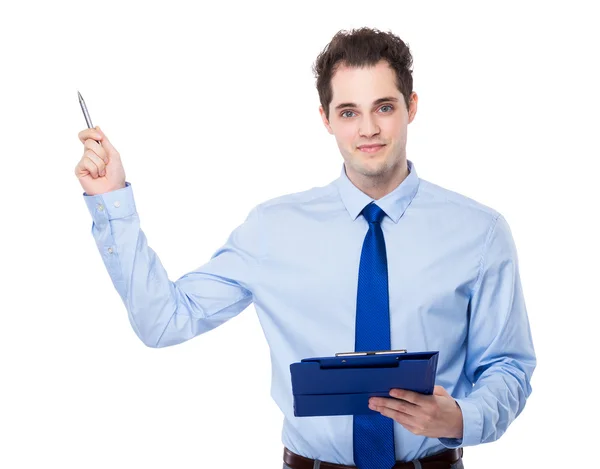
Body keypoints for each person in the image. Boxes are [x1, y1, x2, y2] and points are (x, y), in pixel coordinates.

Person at [75, 27, 536, 469]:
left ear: (411, 107)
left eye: (384, 107)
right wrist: (112, 204)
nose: (369, 129)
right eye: (349, 112)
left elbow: (508, 367)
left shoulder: (480, 232)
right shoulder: (273, 230)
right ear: (326, 119)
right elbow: (164, 321)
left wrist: (460, 418)